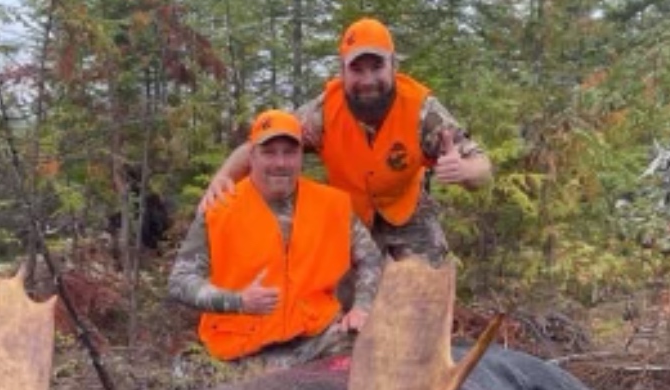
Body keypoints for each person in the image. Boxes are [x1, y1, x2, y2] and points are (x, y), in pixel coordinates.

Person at [200, 18, 491, 263]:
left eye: (376, 67)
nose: (367, 80)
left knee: (427, 290)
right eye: (356, 69)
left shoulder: (421, 111)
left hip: (406, 211)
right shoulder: (323, 113)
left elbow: (482, 166)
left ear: (393, 66)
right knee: (335, 297)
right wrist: (223, 178)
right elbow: (261, 146)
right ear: (342, 71)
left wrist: (465, 170)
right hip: (349, 216)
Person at [169, 109, 382, 367]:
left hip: (319, 340)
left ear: (301, 155)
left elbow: (371, 258)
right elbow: (180, 281)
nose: (280, 163)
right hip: (242, 351)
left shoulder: (333, 205)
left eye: (289, 152)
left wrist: (362, 307)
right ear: (251, 156)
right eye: (269, 152)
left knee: (379, 358)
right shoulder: (219, 210)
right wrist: (238, 301)